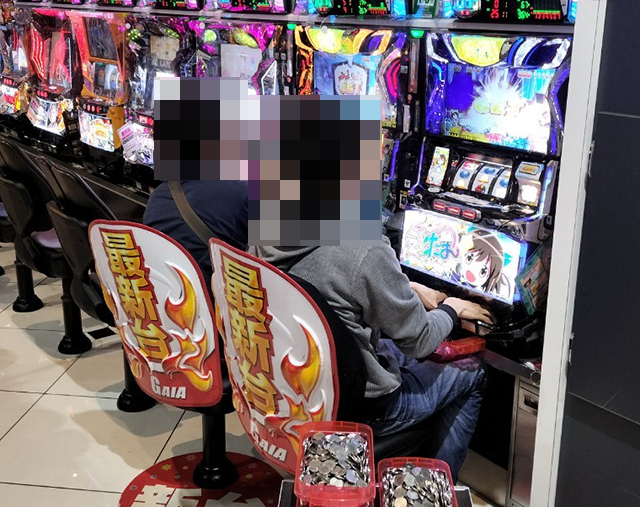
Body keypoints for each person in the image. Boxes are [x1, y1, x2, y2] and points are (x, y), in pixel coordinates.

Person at [250, 240, 494, 481]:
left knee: (394, 348)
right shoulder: (366, 249)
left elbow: (328, 276)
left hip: (297, 389)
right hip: (361, 408)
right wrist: (452, 309)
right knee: (473, 372)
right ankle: (433, 489)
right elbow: (421, 341)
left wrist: (403, 287)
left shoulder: (267, 234)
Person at [144, 180, 248, 284]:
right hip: (219, 290)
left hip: (166, 289)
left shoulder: (156, 197)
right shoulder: (244, 193)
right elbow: (258, 258)